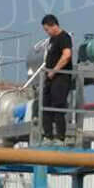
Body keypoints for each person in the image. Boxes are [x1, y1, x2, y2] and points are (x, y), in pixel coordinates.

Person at [40, 14, 73, 144]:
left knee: (58, 106)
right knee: (45, 106)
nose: (47, 33)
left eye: (47, 29)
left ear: (53, 25)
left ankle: (60, 137)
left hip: (61, 78)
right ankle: (48, 136)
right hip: (49, 78)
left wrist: (54, 71)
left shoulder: (64, 37)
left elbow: (66, 55)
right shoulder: (52, 40)